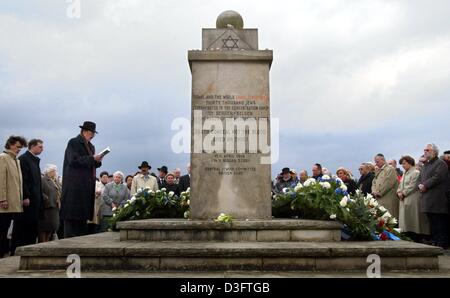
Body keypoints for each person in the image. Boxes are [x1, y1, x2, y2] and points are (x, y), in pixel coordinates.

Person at [60, 121, 103, 238]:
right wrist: (92, 158)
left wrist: (97, 161)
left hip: (86, 187)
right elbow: (73, 160)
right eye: (90, 132)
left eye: (94, 133)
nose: (92, 135)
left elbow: (89, 162)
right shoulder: (74, 142)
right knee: (72, 220)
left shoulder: (91, 146)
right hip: (74, 186)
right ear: (84, 131)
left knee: (82, 220)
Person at [11, 139, 44, 255]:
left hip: (35, 202)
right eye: (40, 147)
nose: (42, 149)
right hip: (27, 202)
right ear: (32, 146)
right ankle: (16, 253)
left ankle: (28, 252)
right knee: (22, 229)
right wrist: (25, 196)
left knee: (32, 229)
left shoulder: (34, 160)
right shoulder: (24, 159)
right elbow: (23, 180)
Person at [418, 143, 449, 249]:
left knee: (439, 222)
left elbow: (437, 177)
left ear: (434, 152)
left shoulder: (440, 163)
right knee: (432, 223)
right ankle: (435, 241)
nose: (425, 151)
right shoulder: (426, 165)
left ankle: (442, 243)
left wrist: (425, 185)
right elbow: (420, 178)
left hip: (438, 199)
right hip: (427, 198)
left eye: (427, 150)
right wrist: (420, 185)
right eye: (424, 150)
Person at [0, 136, 27, 258]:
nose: (19, 149)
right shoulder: (3, 158)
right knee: (2, 228)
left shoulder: (16, 160)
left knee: (7, 229)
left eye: (21, 148)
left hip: (14, 201)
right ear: (10, 145)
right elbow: (1, 180)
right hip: (5, 202)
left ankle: (4, 251)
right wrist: (2, 198)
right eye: (17, 147)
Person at [397, 156, 430, 242]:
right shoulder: (404, 173)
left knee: (413, 218)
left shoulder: (415, 172)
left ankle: (416, 236)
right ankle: (407, 235)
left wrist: (403, 193)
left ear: (410, 162)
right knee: (406, 219)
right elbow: (400, 184)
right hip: (404, 199)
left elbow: (413, 185)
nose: (403, 166)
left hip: (412, 198)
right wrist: (399, 192)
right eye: (402, 164)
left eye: (404, 163)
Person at [372, 153, 399, 220]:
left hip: (388, 200)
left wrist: (379, 192)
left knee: (390, 221)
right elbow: (374, 182)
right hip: (380, 200)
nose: (376, 164)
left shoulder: (390, 169)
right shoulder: (379, 171)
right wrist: (374, 191)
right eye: (375, 162)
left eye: (377, 162)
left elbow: (388, 183)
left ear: (383, 160)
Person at [38, 164, 62, 243]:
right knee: (44, 227)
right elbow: (40, 191)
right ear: (49, 171)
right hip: (47, 207)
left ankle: (47, 243)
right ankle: (42, 243)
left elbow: (60, 191)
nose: (55, 173)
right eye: (54, 171)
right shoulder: (43, 179)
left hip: (55, 208)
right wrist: (47, 199)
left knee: (51, 227)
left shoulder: (55, 181)